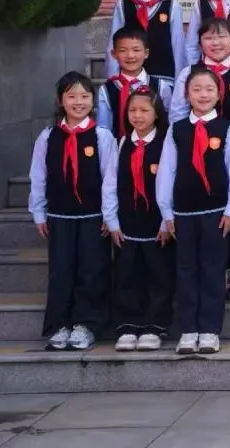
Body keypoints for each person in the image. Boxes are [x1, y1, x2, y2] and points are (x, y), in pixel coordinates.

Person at [29, 72, 118, 351]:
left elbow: (110, 179)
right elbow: (39, 176)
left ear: (93, 101)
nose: (78, 102)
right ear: (61, 101)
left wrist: (109, 215)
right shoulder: (48, 137)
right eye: (71, 96)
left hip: (93, 216)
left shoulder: (102, 137)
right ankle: (59, 325)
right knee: (61, 270)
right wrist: (39, 212)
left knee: (92, 270)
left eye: (84, 96)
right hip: (60, 215)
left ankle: (87, 324)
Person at [157, 66, 230, 355]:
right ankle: (188, 329)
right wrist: (167, 213)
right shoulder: (177, 129)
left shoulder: (227, 128)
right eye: (196, 89)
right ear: (186, 94)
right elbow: (166, 172)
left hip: (216, 212)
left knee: (212, 269)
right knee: (186, 270)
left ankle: (209, 329)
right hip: (183, 213)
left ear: (219, 94)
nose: (203, 95)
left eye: (209, 89)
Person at [111, 87, 175, 352]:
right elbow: (110, 183)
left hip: (156, 224)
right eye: (133, 110)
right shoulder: (122, 143)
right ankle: (128, 324)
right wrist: (112, 220)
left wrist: (166, 221)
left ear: (157, 113)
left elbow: (170, 183)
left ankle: (154, 325)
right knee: (127, 274)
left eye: (144, 110)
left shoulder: (166, 143)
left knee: (158, 275)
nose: (138, 116)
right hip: (127, 222)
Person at [171, 17, 230, 129]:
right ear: (200, 44)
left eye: (222, 37)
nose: (216, 43)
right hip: (194, 136)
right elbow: (178, 112)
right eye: (208, 38)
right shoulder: (187, 73)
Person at [99, 25, 174, 140]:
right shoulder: (107, 89)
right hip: (118, 147)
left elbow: (168, 121)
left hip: (155, 146)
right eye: (123, 50)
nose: (130, 55)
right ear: (114, 54)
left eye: (136, 50)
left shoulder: (161, 86)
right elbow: (104, 128)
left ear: (146, 53)